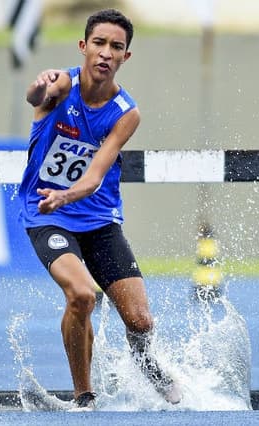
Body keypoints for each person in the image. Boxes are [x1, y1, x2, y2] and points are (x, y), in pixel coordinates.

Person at [18, 9, 181, 409]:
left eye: (116, 47)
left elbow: (93, 176)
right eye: (99, 43)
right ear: (83, 47)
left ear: (126, 57)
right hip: (47, 213)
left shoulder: (126, 113)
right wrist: (38, 88)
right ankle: (83, 395)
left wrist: (67, 194)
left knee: (141, 322)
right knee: (82, 295)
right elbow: (36, 97)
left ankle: (145, 361)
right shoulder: (61, 84)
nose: (106, 53)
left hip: (97, 217)